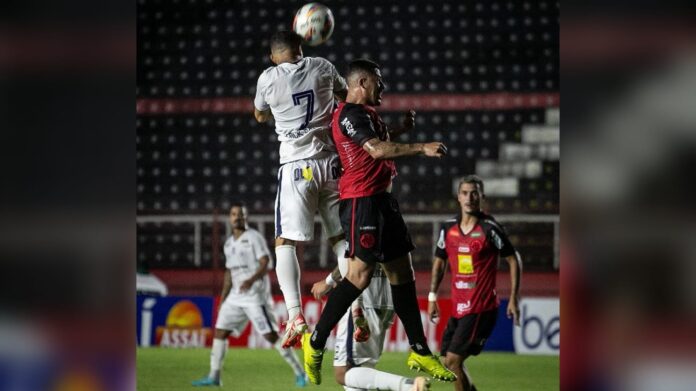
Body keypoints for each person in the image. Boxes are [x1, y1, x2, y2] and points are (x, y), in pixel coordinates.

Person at [302, 58, 456, 385]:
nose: (383, 87)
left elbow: (376, 140)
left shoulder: (366, 116)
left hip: (384, 202)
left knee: (403, 272)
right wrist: (420, 147)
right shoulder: (349, 113)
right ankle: (314, 342)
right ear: (362, 83)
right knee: (359, 275)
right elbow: (375, 150)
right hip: (363, 202)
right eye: (378, 81)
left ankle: (419, 350)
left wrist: (399, 129)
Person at [253, 30, 350, 349]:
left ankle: (295, 316)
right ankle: (356, 308)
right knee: (339, 237)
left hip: (296, 167)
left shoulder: (268, 78)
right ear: (301, 47)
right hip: (332, 163)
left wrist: (277, 112)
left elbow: (259, 114)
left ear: (273, 56)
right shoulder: (323, 66)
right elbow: (345, 95)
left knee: (285, 241)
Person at [192, 203, 307, 387]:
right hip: (235, 297)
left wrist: (251, 280)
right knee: (220, 332)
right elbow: (229, 274)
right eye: (234, 214)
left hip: (255, 297)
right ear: (229, 218)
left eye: (241, 214)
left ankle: (300, 372)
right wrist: (223, 298)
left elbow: (266, 262)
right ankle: (214, 376)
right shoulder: (228, 244)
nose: (237, 217)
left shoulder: (253, 238)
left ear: (246, 218)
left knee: (271, 336)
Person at [428, 175, 522, 391]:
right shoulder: (448, 228)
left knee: (452, 361)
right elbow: (439, 262)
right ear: (458, 198)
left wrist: (514, 297)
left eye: (474, 193)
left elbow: (513, 258)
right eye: (465, 193)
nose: (469, 197)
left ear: (482, 197)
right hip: (458, 308)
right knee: (447, 361)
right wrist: (432, 297)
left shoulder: (490, 228)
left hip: (481, 308)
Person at [311, 265, 431, 391]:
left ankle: (410, 386)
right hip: (389, 297)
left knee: (344, 372)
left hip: (364, 296)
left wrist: (329, 281)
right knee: (360, 371)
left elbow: (353, 257)